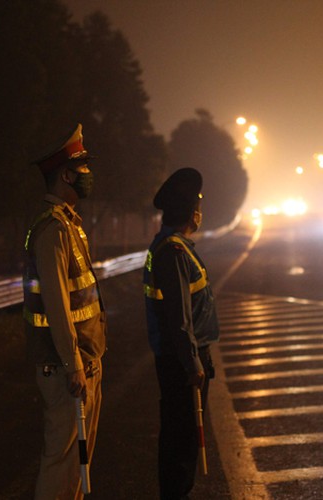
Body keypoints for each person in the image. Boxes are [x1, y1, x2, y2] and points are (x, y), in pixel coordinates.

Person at [23, 123, 106, 500]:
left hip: (83, 362)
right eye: (83, 169)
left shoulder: (69, 225)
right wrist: (74, 363)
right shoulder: (52, 231)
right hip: (65, 369)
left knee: (75, 465)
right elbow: (56, 305)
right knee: (60, 462)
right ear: (66, 174)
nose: (89, 176)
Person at [143, 167, 220, 500]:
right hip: (181, 361)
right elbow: (179, 317)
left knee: (182, 439)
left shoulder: (175, 247)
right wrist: (192, 364)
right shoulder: (172, 253)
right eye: (197, 205)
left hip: (182, 356)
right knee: (182, 442)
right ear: (190, 211)